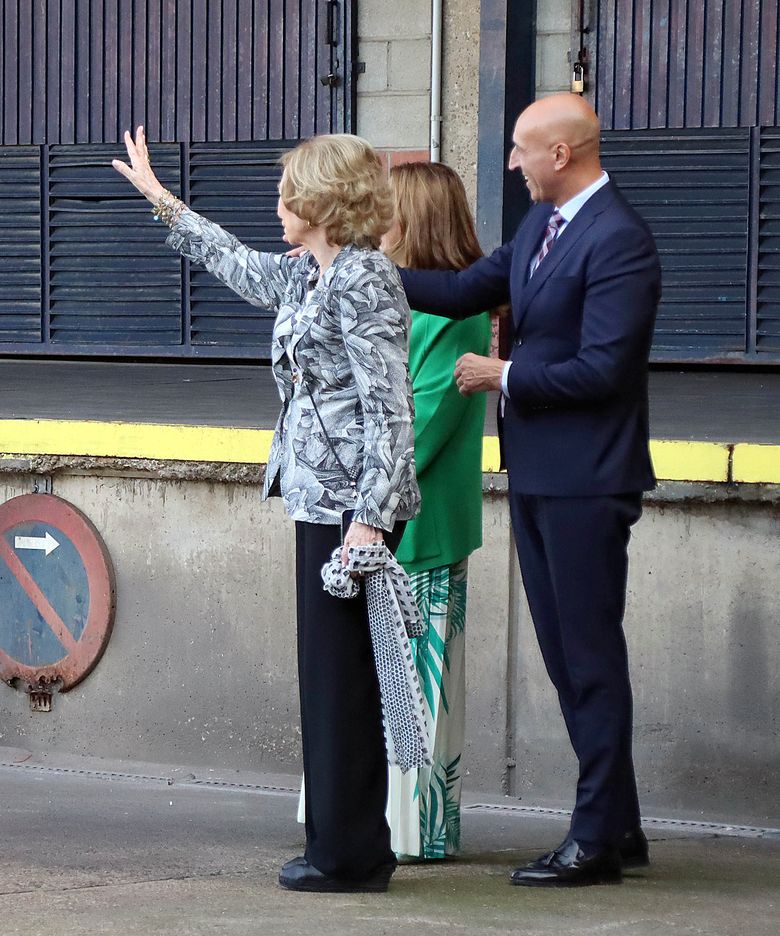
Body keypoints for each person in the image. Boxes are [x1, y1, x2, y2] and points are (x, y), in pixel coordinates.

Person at [114, 128, 421, 893]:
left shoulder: (364, 279)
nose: (276, 204)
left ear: (319, 202)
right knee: (327, 678)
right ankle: (340, 845)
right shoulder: (309, 274)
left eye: (287, 193)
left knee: (344, 683)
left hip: (354, 506)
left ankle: (350, 857)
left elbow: (391, 407)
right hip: (320, 497)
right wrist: (163, 202)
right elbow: (235, 265)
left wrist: (371, 520)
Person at [397, 93, 661, 887]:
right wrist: (362, 264)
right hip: (543, 474)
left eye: (518, 150)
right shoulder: (541, 230)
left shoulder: (621, 242)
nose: (509, 163)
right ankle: (620, 823)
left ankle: (592, 844)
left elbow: (605, 370)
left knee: (586, 658)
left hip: (588, 480)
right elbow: (457, 291)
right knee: (567, 654)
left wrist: (502, 373)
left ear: (560, 155)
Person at [381, 161, 492, 860]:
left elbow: (419, 427)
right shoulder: (416, 303)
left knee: (415, 692)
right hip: (393, 518)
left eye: (385, 213)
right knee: (396, 686)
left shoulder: (454, 313)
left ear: (413, 221)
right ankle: (389, 825)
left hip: (417, 524)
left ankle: (416, 832)